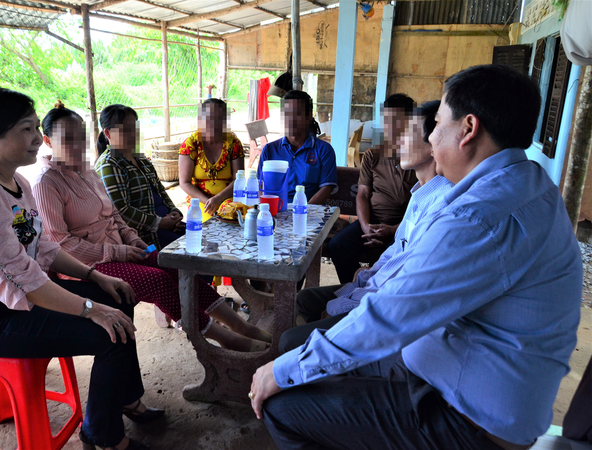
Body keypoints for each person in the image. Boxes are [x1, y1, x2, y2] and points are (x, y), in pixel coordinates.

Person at [249, 65, 582, 450]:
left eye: (437, 123)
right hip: (449, 366)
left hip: (467, 416)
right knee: (307, 354)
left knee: (283, 404)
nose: (429, 135)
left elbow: (389, 316)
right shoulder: (529, 184)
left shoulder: (478, 216)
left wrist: (280, 372)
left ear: (468, 129)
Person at [0, 87, 161, 450]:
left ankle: (125, 398)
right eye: (25, 129)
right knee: (109, 332)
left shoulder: (14, 180)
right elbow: (20, 278)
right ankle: (103, 437)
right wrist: (90, 309)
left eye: (36, 126)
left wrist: (95, 276)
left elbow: (43, 246)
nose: (38, 138)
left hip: (10, 298)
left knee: (115, 296)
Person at [34, 102, 272, 352]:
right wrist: (121, 250)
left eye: (80, 136)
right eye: (67, 138)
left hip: (120, 251)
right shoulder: (46, 182)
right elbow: (62, 245)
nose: (76, 144)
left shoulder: (87, 171)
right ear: (48, 141)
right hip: (88, 266)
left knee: (178, 266)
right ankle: (223, 337)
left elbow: (115, 215)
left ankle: (240, 326)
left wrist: (132, 239)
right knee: (158, 280)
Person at [280, 100, 453, 352]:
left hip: (388, 295)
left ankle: (330, 347)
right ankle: (325, 342)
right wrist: (367, 231)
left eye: (408, 131)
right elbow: (363, 198)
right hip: (372, 234)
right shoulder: (419, 192)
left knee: (291, 338)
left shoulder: (442, 204)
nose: (399, 137)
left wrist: (353, 299)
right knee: (309, 294)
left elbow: (404, 279)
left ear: (433, 145)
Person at [328, 93, 418, 284]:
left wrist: (393, 230)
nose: (391, 128)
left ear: (411, 123)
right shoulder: (373, 155)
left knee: (405, 256)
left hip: (405, 226)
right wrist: (366, 226)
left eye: (398, 121)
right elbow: (362, 194)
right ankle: (354, 290)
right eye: (387, 121)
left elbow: (421, 209)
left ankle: (378, 293)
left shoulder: (419, 159)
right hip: (372, 221)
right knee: (338, 245)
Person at [95, 104, 184, 250]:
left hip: (168, 226)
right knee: (195, 254)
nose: (133, 134)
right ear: (108, 133)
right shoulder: (109, 165)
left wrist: (174, 213)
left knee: (205, 243)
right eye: (125, 130)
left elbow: (161, 191)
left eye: (134, 128)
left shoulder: (141, 160)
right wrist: (160, 223)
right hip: (146, 239)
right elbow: (122, 211)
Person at [257, 90, 337, 205]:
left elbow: (327, 188)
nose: (291, 120)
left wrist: (302, 211)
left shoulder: (324, 150)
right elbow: (261, 185)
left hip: (309, 210)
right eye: (287, 114)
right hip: (275, 210)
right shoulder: (270, 150)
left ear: (309, 116)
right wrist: (267, 208)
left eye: (297, 114)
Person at [178, 98, 245, 220]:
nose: (214, 123)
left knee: (233, 217)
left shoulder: (234, 143)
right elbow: (184, 182)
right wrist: (209, 202)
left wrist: (218, 199)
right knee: (206, 225)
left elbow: (239, 179)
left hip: (228, 198)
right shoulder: (191, 144)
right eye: (209, 118)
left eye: (219, 118)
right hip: (199, 200)